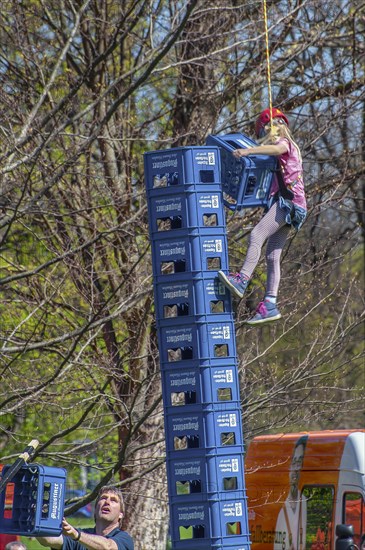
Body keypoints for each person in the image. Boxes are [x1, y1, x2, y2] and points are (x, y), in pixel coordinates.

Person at [218, 107, 307, 325]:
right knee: (272, 255)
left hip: (288, 205)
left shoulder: (286, 145)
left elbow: (276, 149)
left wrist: (248, 152)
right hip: (294, 208)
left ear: (282, 127)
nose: (272, 133)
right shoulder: (281, 150)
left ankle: (242, 279)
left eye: (273, 128)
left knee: (257, 235)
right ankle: (270, 303)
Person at [36, 484, 134, 550]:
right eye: (103, 498)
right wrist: (33, 516)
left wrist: (76, 535)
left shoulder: (124, 539)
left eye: (113, 500)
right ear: (95, 509)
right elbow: (49, 539)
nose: (107, 502)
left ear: (121, 514)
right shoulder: (80, 536)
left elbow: (108, 547)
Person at [274, 435, 308, 550]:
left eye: (299, 463)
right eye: (294, 463)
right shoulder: (281, 511)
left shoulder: (306, 503)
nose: (295, 470)